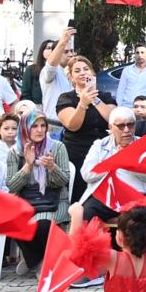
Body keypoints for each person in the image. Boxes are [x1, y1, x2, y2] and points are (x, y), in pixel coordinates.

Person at [6, 109, 69, 272]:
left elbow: (64, 181)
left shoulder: (57, 147)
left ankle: (34, 261)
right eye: (34, 126)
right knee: (12, 223)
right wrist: (28, 165)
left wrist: (52, 167)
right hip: (26, 203)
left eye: (43, 125)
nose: (40, 130)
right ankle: (37, 261)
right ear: (25, 128)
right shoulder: (15, 152)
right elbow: (12, 185)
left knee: (42, 225)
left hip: (53, 201)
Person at [56, 55, 115, 203]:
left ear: (93, 73)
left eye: (86, 69)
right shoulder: (66, 98)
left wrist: (94, 99)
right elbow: (72, 125)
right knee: (79, 196)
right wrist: (82, 103)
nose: (82, 73)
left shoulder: (105, 96)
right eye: (77, 71)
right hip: (77, 151)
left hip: (103, 152)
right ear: (71, 77)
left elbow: (112, 118)